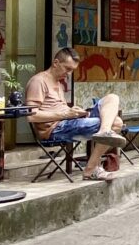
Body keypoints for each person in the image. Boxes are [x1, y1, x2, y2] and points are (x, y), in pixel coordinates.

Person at [26, 47, 126, 182]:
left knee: (112, 98)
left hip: (67, 122)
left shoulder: (57, 83)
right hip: (55, 129)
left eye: (72, 70)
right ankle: (91, 169)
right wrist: (65, 115)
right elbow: (31, 115)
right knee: (115, 123)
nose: (69, 73)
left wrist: (74, 112)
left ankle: (104, 131)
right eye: (67, 69)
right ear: (56, 63)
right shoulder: (38, 81)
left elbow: (59, 109)